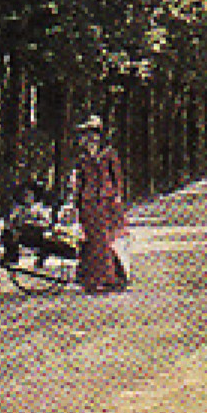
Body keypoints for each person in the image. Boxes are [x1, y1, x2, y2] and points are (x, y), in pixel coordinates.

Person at [73, 115, 129, 293]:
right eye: (88, 133)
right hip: (88, 202)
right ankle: (92, 279)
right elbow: (79, 182)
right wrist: (77, 202)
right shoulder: (82, 158)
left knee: (104, 240)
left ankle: (109, 278)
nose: (91, 137)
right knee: (92, 240)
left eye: (94, 133)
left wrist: (117, 196)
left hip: (106, 200)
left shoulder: (109, 154)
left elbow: (117, 177)